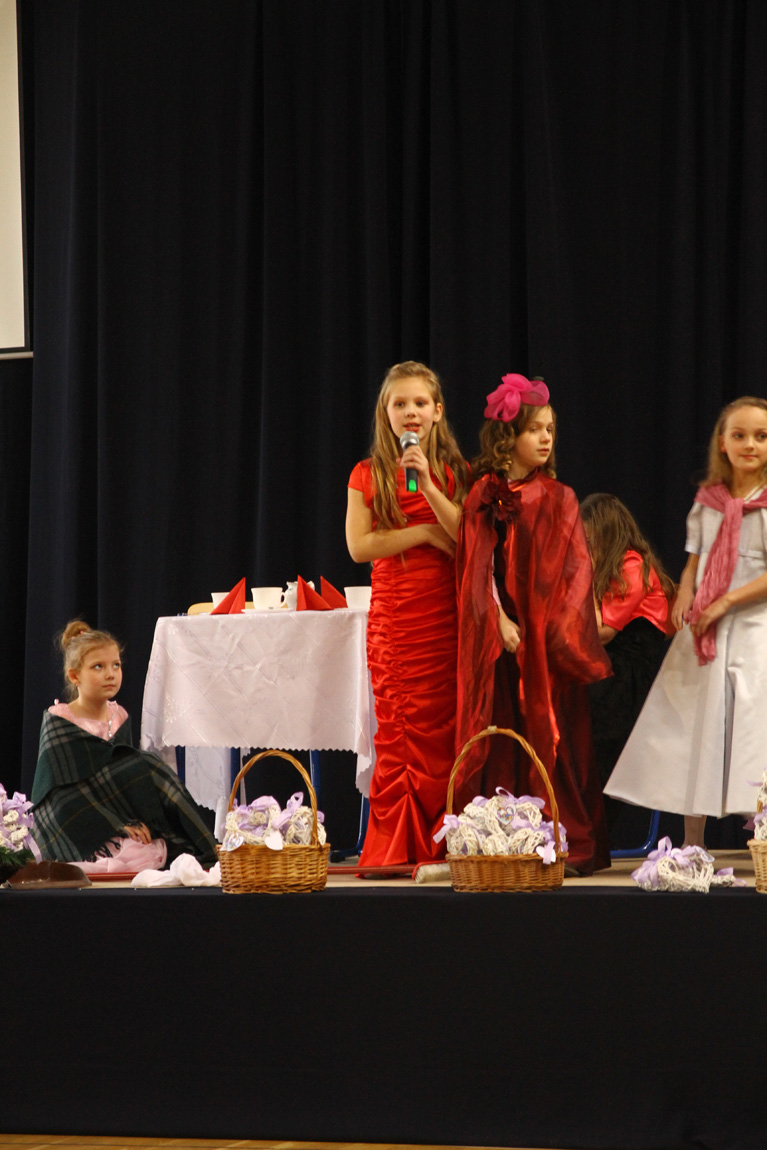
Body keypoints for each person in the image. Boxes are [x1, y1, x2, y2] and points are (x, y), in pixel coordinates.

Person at [455, 373, 612, 874]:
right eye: (534, 429)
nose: (545, 438)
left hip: (545, 640)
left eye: (550, 429)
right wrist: (499, 621)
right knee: (504, 734)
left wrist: (558, 634)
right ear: (508, 437)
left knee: (552, 732)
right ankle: (505, 835)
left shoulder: (559, 496)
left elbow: (574, 574)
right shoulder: (484, 493)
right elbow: (476, 567)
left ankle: (559, 835)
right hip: (503, 639)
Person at [605, 397, 767, 847]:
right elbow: (696, 560)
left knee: (754, 726)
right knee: (695, 729)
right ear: (723, 443)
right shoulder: (709, 502)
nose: (750, 445)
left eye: (761, 436)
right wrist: (685, 593)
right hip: (707, 628)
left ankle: (762, 836)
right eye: (740, 435)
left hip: (754, 626)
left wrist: (726, 601)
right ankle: (693, 843)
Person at [346, 360, 468, 865]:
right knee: (401, 728)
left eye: (420, 402)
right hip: (396, 619)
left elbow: (466, 539)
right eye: (400, 403)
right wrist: (422, 533)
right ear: (386, 413)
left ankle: (445, 839)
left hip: (444, 615)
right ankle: (399, 844)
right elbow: (359, 545)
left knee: (444, 728)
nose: (411, 412)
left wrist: (430, 487)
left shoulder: (458, 472)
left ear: (437, 411)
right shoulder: (367, 473)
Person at [32, 620, 218, 866]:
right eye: (98, 667)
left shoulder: (119, 716)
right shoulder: (59, 719)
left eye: (116, 665)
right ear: (75, 675)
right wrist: (113, 823)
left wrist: (129, 820)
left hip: (119, 815)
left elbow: (126, 783)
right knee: (145, 766)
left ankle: (208, 848)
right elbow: (56, 793)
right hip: (78, 820)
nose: (110, 674)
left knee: (150, 768)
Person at [580, 493, 675, 817]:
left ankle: (592, 828)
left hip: (628, 679)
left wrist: (586, 576)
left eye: (590, 541)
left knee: (593, 739)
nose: (585, 549)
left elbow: (602, 631)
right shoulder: (613, 569)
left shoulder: (633, 566)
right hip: (610, 672)